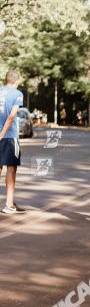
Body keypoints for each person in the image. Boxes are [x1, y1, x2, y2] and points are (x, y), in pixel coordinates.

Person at [0, 71, 25, 214]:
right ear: (17, 81)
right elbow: (11, 116)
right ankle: (9, 204)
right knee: (11, 168)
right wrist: (2, 134)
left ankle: (11, 203)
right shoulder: (17, 94)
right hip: (9, 136)